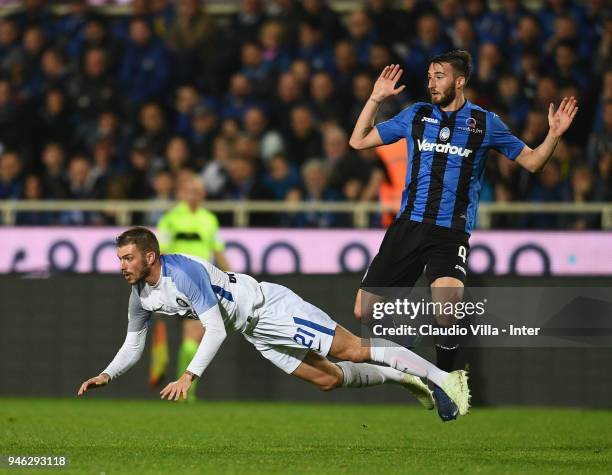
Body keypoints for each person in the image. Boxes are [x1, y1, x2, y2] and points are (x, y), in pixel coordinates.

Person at [349, 51, 577, 421]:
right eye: (429, 76)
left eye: (438, 76)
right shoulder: (416, 115)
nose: (430, 82)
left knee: (448, 301)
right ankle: (413, 364)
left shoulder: (485, 124)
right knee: (364, 310)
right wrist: (376, 98)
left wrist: (553, 135)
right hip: (407, 226)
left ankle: (445, 381)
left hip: (450, 231)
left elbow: (533, 162)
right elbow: (358, 142)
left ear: (459, 81)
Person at [77, 227, 469, 417]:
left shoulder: (181, 274)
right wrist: (106, 375)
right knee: (328, 380)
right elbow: (133, 343)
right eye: (119, 259)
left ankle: (443, 379)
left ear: (150, 256)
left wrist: (188, 377)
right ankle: (406, 377)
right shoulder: (141, 295)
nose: (121, 266)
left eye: (127, 258)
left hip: (271, 310)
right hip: (254, 331)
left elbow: (214, 331)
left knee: (353, 349)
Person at [151, 175, 230, 401]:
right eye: (190, 190)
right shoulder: (170, 220)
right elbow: (161, 253)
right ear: (181, 193)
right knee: (195, 334)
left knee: (192, 337)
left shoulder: (209, 220)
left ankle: (182, 390)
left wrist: (234, 277)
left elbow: (218, 252)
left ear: (203, 194)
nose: (194, 195)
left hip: (203, 281)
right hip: (179, 282)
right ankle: (186, 391)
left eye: (198, 191)